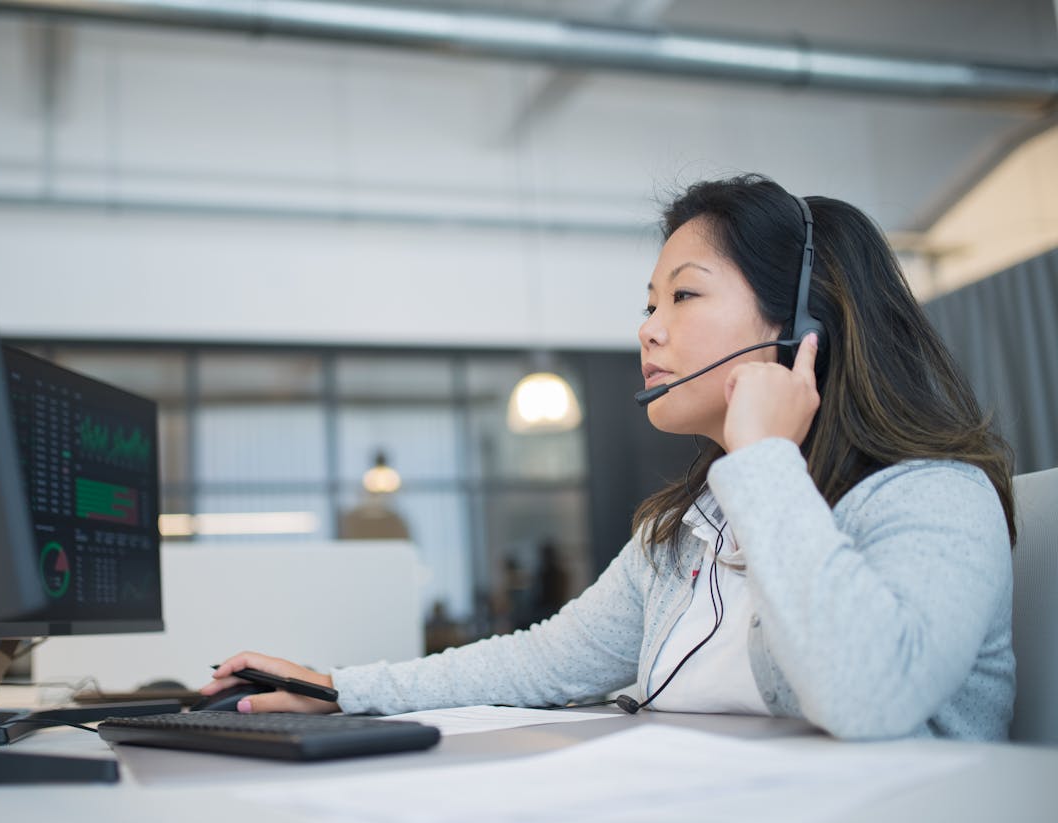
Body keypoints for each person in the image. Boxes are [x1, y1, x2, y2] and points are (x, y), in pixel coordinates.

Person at [202, 174, 1017, 741]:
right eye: (648, 304)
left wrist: (768, 459)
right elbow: (539, 660)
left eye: (684, 296)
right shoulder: (688, 532)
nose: (648, 330)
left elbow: (869, 696)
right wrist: (337, 690)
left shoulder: (932, 497)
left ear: (804, 327)